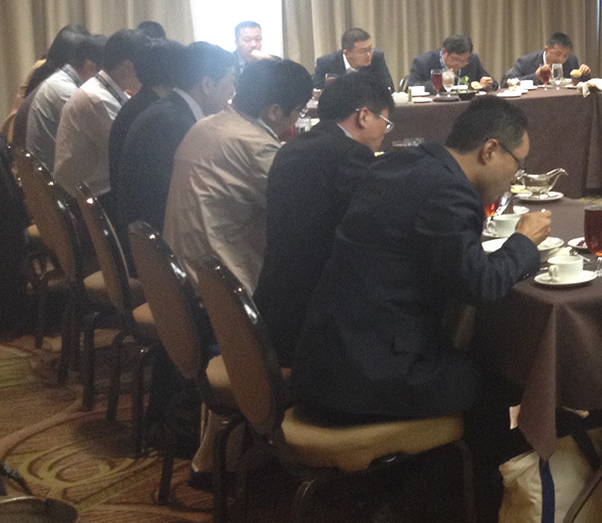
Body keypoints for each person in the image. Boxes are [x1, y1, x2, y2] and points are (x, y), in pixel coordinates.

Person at [292, 96, 549, 422]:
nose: (516, 175)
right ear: (489, 150)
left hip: (325, 357)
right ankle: (471, 471)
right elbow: (480, 285)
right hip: (367, 376)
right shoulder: (448, 191)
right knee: (507, 378)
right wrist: (524, 243)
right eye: (518, 163)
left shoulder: (400, 163)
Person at [256, 71, 392, 365]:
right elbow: (373, 231)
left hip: (273, 308)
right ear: (364, 116)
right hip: (311, 327)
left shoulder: (293, 147)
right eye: (386, 122)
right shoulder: (350, 155)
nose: (385, 132)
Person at [163, 58, 312, 290]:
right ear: (275, 111)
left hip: (180, 273)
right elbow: (298, 212)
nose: (298, 118)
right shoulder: (255, 146)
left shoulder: (206, 124)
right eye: (299, 110)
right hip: (222, 287)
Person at [115, 42, 236, 236]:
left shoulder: (171, 110)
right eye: (230, 81)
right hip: (155, 245)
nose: (232, 90)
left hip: (146, 233)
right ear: (207, 84)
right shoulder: (173, 123)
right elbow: (188, 197)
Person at [53, 28, 147, 209]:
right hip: (88, 204)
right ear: (128, 68)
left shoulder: (103, 90)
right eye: (147, 67)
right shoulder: (96, 100)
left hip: (88, 194)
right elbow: (127, 155)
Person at [109, 38, 181, 206]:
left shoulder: (140, 103)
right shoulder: (158, 115)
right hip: (142, 217)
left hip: (129, 207)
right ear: (172, 71)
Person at [26, 32, 103, 171]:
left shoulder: (62, 79)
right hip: (51, 183)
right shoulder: (67, 92)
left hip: (44, 172)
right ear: (90, 66)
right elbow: (98, 140)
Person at [312, 28, 395, 91]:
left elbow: (388, 88)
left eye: (370, 49)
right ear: (347, 53)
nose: (369, 54)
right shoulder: (326, 62)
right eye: (363, 51)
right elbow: (317, 90)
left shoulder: (376, 58)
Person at [408, 33, 494, 90]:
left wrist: (487, 84)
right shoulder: (423, 62)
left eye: (464, 60)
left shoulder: (473, 60)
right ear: (444, 52)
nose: (459, 64)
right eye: (455, 59)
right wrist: (439, 83)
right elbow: (412, 86)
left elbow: (493, 83)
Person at [506, 32, 591, 84]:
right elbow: (509, 83)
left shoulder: (572, 61)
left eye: (565, 55)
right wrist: (535, 76)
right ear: (546, 49)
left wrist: (584, 74)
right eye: (557, 54)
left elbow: (581, 84)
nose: (561, 59)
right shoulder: (526, 62)